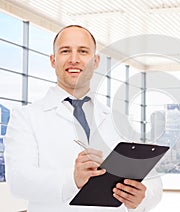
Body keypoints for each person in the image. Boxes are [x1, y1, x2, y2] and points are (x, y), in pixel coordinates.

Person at [4, 25, 162, 212]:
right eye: (65, 51)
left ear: (95, 62)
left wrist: (142, 197)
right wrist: (73, 179)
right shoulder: (26, 117)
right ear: (53, 60)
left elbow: (153, 180)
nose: (74, 59)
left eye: (83, 51)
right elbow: (19, 182)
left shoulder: (117, 120)